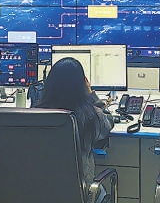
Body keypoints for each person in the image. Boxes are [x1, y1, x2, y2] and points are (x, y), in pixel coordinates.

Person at [36, 57, 114, 187]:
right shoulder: (90, 116)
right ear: (82, 85)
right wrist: (92, 95)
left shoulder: (36, 116)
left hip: (41, 190)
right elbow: (108, 122)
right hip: (80, 192)